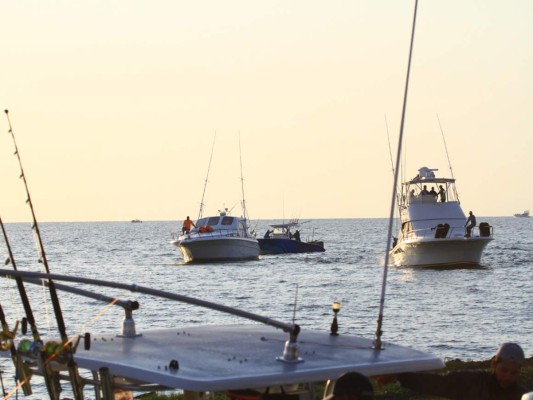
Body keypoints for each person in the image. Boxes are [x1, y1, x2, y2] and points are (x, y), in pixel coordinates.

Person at [377, 342, 526, 400]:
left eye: (513, 373)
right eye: (504, 370)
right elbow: (435, 383)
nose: (507, 377)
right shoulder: (472, 382)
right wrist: (397, 376)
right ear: (494, 364)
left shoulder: (523, 396)